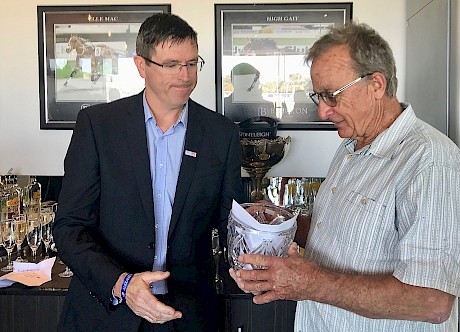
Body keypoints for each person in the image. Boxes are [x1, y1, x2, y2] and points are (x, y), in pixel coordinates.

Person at [230, 22, 460, 331]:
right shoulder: (351, 146)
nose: (323, 112)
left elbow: (432, 301)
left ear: (376, 85)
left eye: (332, 96)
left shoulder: (429, 160)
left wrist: (309, 283)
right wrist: (282, 224)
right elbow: (339, 236)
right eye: (317, 97)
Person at [53, 13, 243, 332]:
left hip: (187, 315)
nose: (185, 76)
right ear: (141, 66)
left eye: (192, 63)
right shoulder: (98, 127)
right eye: (171, 64)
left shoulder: (221, 134)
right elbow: (70, 227)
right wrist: (122, 284)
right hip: (107, 313)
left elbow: (232, 224)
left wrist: (262, 251)